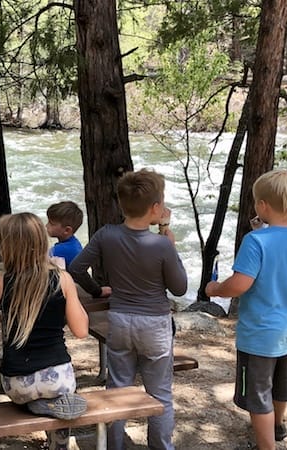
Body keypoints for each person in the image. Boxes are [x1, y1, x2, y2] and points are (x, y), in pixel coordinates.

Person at [68, 168, 187, 450]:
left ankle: (113, 444)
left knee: (117, 390)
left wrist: (97, 289)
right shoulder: (161, 244)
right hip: (155, 324)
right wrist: (169, 240)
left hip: (120, 320)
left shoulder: (106, 235)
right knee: (159, 394)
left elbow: (76, 268)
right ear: (156, 208)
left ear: (122, 204)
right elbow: (179, 287)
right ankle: (160, 446)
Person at [206, 170, 287, 450]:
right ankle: (278, 427)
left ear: (263, 206)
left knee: (257, 393)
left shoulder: (255, 242)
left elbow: (240, 284)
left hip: (260, 333)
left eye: (257, 201)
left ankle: (266, 446)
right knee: (280, 382)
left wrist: (215, 289)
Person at [0, 212, 90, 450]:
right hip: (58, 378)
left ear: (6, 247)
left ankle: (35, 404)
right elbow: (81, 330)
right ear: (42, 243)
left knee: (34, 397)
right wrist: (67, 286)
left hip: (17, 384)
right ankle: (58, 445)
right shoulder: (62, 279)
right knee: (62, 401)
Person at [46, 201, 84, 269]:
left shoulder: (62, 250)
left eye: (51, 224)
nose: (46, 225)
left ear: (67, 230)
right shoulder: (74, 243)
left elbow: (38, 261)